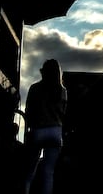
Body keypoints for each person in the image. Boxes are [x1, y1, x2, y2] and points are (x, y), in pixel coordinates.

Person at [23, 58, 68, 194]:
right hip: (55, 131)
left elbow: (29, 110)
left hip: (38, 130)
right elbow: (63, 113)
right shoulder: (62, 90)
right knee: (49, 172)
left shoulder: (35, 88)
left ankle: (25, 191)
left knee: (30, 169)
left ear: (43, 72)